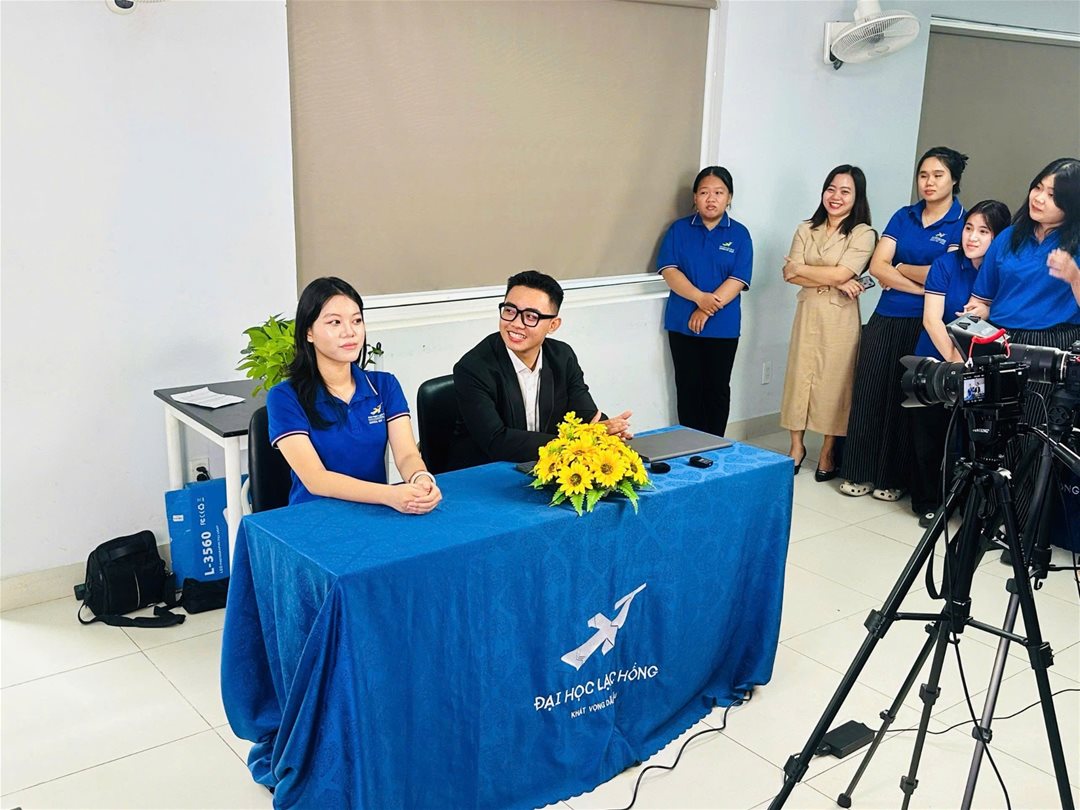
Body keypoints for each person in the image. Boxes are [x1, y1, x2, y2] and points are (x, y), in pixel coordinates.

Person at [840, 146, 968, 501]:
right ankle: (859, 471)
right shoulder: (904, 215)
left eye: (938, 175)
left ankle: (892, 479)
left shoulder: (961, 222)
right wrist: (920, 285)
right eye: (923, 175)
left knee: (904, 398)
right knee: (869, 391)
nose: (928, 182)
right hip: (886, 314)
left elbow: (944, 273)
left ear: (954, 180)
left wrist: (899, 269)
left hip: (926, 322)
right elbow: (877, 266)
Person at [963, 158, 1080, 534]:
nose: (1039, 198)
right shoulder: (1009, 237)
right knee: (993, 431)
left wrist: (1074, 276)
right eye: (1038, 187)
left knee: (1035, 437)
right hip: (1002, 342)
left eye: (1053, 195)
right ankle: (987, 519)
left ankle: (1023, 530)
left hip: (1050, 344)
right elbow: (984, 297)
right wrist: (974, 313)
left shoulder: (1076, 242)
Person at [266, 276, 442, 513]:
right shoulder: (284, 397)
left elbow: (407, 455)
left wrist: (421, 478)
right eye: (335, 322)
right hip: (313, 516)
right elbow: (316, 479)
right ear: (309, 332)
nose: (350, 332)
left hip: (374, 511)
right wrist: (389, 494)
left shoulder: (385, 385)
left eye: (357, 320)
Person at [449, 270, 632, 469]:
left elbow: (586, 416)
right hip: (485, 472)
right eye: (509, 311)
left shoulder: (562, 357)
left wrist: (607, 430)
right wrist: (577, 442)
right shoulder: (473, 368)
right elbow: (496, 441)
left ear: (553, 325)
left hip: (543, 466)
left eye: (530, 316)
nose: (516, 324)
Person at [909, 200, 1011, 527]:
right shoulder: (945, 264)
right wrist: (954, 360)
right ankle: (928, 501)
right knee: (928, 436)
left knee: (973, 440)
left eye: (983, 231)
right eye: (968, 228)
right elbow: (931, 319)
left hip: (981, 367)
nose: (972, 237)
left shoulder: (1004, 272)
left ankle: (970, 506)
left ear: (999, 238)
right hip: (935, 362)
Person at [779, 165, 877, 479]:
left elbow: (841, 273)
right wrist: (835, 278)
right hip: (808, 311)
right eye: (831, 189)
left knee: (836, 382)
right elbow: (789, 274)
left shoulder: (863, 233)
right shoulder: (806, 228)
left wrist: (808, 270)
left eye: (845, 191)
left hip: (840, 317)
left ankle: (827, 450)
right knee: (799, 377)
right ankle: (796, 446)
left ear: (857, 197)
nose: (836, 196)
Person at [657, 166, 753, 437]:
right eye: (704, 192)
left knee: (717, 389)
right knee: (687, 388)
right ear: (695, 197)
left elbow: (738, 279)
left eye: (719, 193)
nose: (711, 199)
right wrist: (699, 298)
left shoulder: (740, 234)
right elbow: (669, 271)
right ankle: (689, 445)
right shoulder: (678, 230)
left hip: (723, 326)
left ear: (729, 197)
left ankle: (714, 445)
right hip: (682, 323)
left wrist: (706, 310)